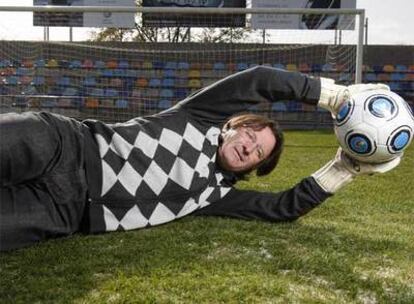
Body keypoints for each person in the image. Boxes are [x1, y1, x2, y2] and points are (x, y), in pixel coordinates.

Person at [0, 66, 400, 252]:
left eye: (258, 152)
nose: (248, 146)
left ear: (252, 170)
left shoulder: (216, 194)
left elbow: (282, 208)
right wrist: (329, 94)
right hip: (64, 144)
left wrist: (343, 169)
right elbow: (259, 79)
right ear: (232, 125)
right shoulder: (199, 116)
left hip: (64, 212)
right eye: (249, 133)